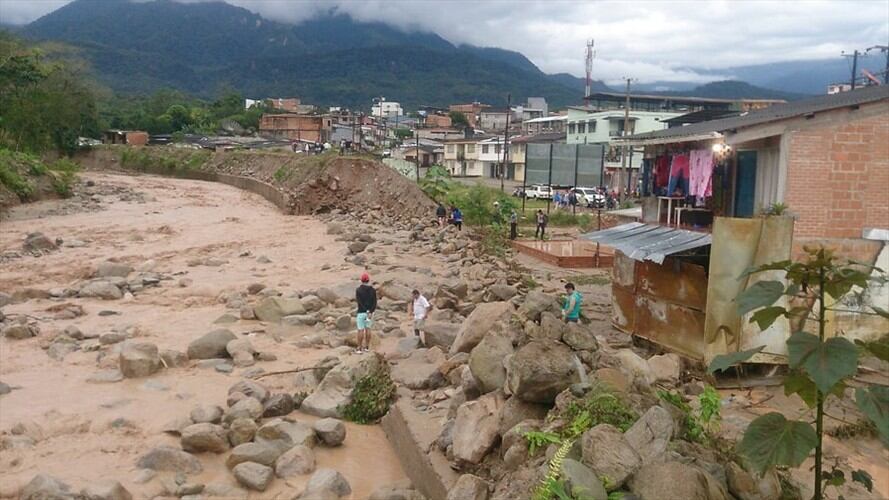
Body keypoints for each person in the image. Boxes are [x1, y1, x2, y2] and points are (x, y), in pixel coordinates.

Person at [355, 273, 377, 353]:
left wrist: (365, 310)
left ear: (361, 280)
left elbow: (359, 302)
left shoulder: (358, 290)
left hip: (361, 312)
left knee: (360, 330)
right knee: (368, 329)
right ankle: (367, 347)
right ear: (368, 280)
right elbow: (375, 302)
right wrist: (370, 311)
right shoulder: (373, 290)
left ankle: (359, 347)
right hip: (370, 313)